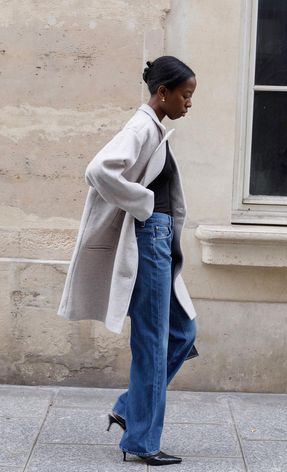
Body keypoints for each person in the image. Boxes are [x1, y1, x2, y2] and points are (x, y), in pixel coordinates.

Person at [57, 55, 198, 466]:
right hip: (149, 239)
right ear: (162, 93)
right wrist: (145, 204)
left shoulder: (153, 128)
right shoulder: (140, 127)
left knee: (181, 333)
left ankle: (127, 408)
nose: (188, 104)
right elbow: (99, 169)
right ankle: (141, 442)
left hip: (159, 240)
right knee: (153, 343)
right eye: (185, 96)